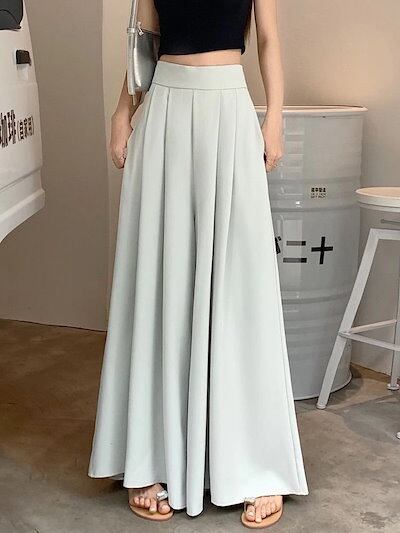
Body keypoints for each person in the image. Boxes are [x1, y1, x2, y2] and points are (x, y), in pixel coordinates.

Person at [88, 0, 309, 528]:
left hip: (229, 109)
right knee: (159, 284)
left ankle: (256, 463)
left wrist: (275, 117)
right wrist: (123, 110)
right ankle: (148, 458)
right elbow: (144, 40)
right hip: (164, 109)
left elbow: (268, 39)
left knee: (241, 289)